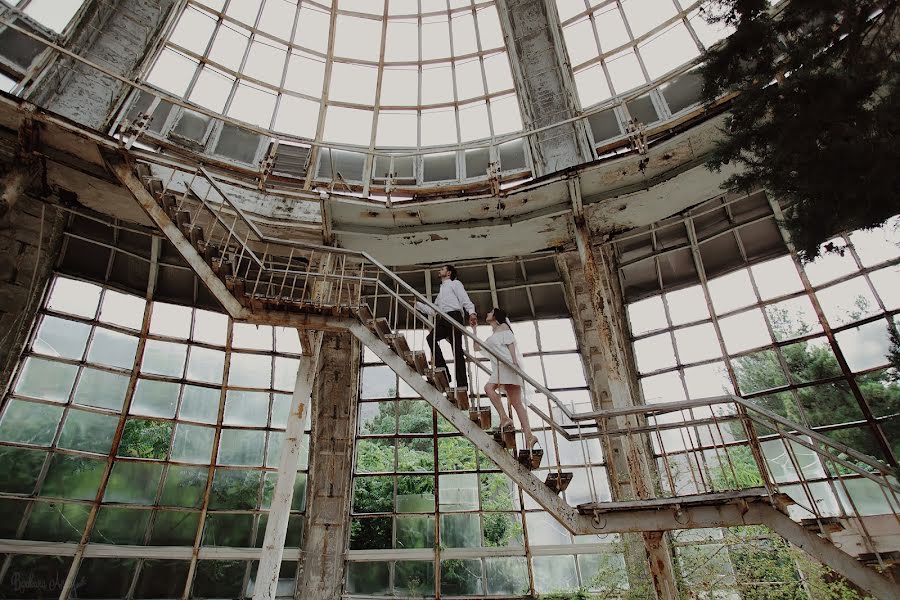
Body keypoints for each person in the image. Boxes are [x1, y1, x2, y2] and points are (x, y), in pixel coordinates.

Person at [479, 307, 537, 451]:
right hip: (500, 367)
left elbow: (511, 342)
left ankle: (508, 420)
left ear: (496, 316)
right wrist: (473, 329)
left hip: (507, 365)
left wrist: (514, 361)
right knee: (515, 402)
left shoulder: (504, 326)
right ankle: (528, 435)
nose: (487, 313)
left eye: (490, 312)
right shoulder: (492, 334)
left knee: (492, 390)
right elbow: (477, 348)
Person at [415, 264, 478, 389]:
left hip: (454, 317)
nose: (440, 270)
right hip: (444, 318)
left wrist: (472, 313)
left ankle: (462, 384)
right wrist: (417, 304)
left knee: (457, 350)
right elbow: (433, 310)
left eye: (442, 269)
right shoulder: (441, 291)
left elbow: (464, 299)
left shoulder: (455, 284)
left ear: (449, 273)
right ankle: (444, 373)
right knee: (431, 338)